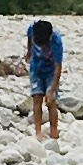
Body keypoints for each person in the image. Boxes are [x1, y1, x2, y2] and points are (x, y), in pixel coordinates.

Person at [25, 14, 64, 144]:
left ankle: (54, 131)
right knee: (37, 98)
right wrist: (29, 52)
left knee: (51, 102)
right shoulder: (32, 29)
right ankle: (38, 131)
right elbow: (29, 39)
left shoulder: (56, 42)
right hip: (36, 68)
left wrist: (51, 90)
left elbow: (58, 68)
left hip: (50, 71)